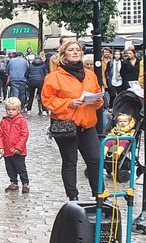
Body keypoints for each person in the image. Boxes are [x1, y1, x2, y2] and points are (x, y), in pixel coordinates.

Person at [41, 39, 104, 201]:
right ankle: (73, 197)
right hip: (66, 124)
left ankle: (99, 195)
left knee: (95, 160)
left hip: (87, 124)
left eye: (78, 50)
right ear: (63, 55)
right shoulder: (54, 77)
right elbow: (47, 100)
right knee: (70, 162)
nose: (76, 52)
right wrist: (68, 103)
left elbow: (98, 94)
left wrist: (98, 100)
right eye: (71, 50)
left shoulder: (90, 75)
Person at [0, 97, 30, 193]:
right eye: (8, 109)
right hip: (7, 150)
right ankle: (13, 182)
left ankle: (25, 183)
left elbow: (24, 135)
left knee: (21, 168)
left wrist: (19, 147)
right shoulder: (4, 121)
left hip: (18, 151)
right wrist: (0, 146)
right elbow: (0, 134)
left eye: (13, 109)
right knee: (10, 168)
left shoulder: (21, 121)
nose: (10, 112)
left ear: (19, 110)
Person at [25, 51, 50, 115]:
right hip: (41, 81)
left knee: (31, 96)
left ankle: (29, 110)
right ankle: (44, 111)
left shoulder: (31, 65)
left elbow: (26, 74)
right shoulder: (43, 65)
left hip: (32, 81)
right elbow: (46, 73)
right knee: (42, 96)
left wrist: (28, 80)